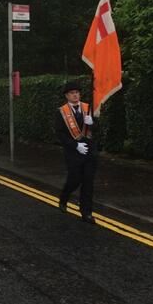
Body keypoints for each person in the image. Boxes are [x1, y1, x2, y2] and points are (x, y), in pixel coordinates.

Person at [55, 80, 97, 225]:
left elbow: (98, 129)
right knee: (74, 180)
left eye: (77, 93)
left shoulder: (88, 108)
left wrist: (93, 123)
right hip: (73, 153)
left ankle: (86, 212)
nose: (75, 95)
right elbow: (60, 133)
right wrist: (75, 145)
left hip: (89, 151)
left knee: (88, 182)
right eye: (72, 93)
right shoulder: (62, 111)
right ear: (67, 96)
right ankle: (64, 196)